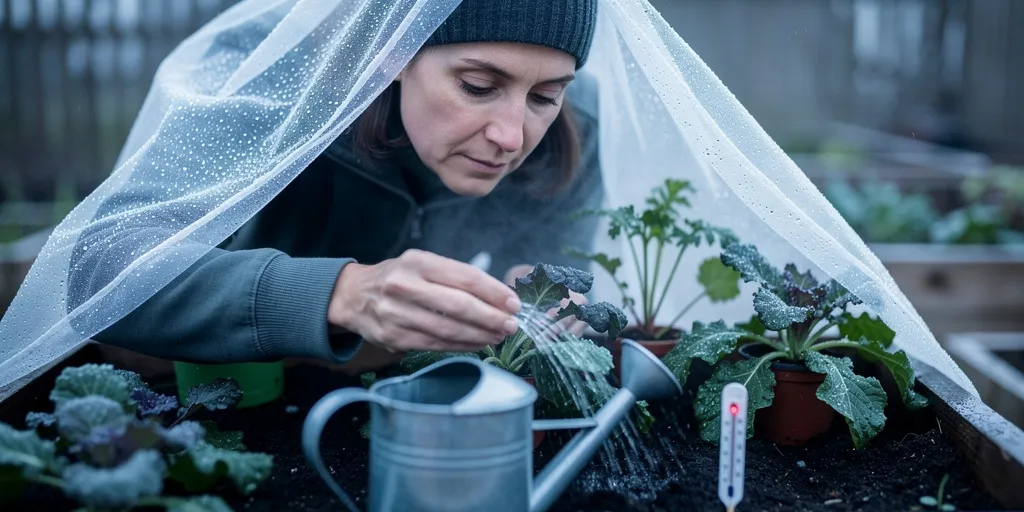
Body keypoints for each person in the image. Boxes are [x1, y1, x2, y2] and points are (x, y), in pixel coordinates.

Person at [74, 0, 603, 371]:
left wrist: (543, 305)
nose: (512, 137)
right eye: (478, 87)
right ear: (393, 51)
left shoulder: (570, 130)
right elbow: (101, 268)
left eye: (544, 96)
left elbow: (541, 272)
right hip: (229, 391)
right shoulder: (265, 79)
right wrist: (343, 295)